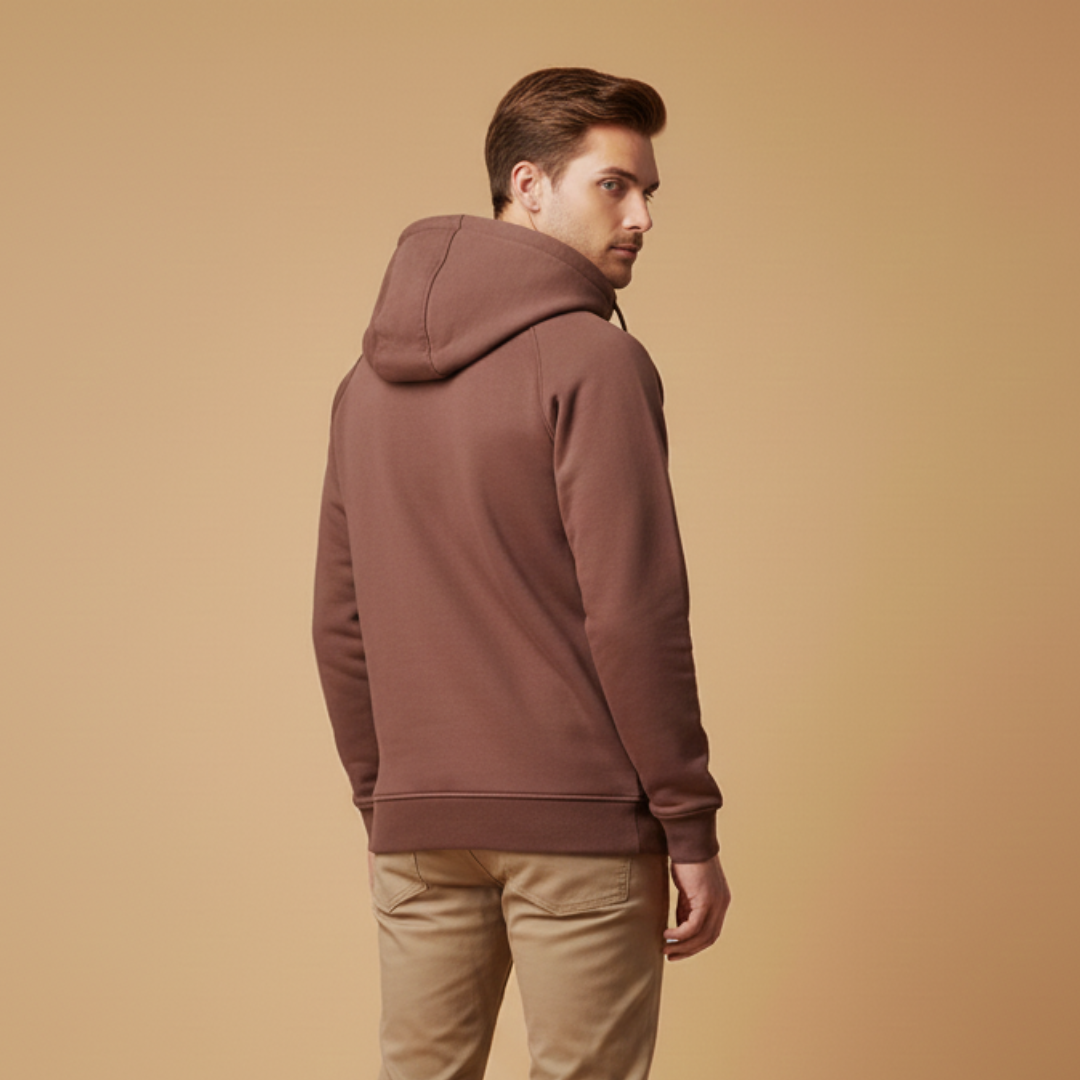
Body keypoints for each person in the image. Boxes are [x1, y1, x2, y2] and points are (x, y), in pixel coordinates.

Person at [313, 66, 730, 1080]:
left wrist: (387, 803)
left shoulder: (363, 386)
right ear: (529, 185)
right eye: (613, 186)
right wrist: (689, 825)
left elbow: (340, 621)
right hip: (580, 823)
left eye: (647, 193)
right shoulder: (596, 362)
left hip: (420, 824)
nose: (640, 217)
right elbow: (634, 614)